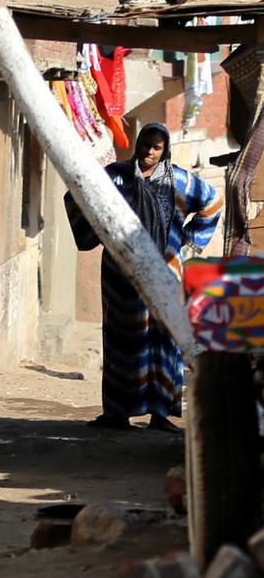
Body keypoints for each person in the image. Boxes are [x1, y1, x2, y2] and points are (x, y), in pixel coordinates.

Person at [65, 122, 222, 432]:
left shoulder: (178, 181)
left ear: (165, 150)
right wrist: (100, 232)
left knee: (164, 340)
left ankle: (160, 414)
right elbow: (76, 195)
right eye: (146, 144)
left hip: (165, 274)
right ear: (137, 144)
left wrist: (187, 242)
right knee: (120, 340)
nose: (149, 151)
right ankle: (117, 414)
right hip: (121, 276)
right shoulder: (115, 176)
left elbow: (213, 202)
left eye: (157, 146)